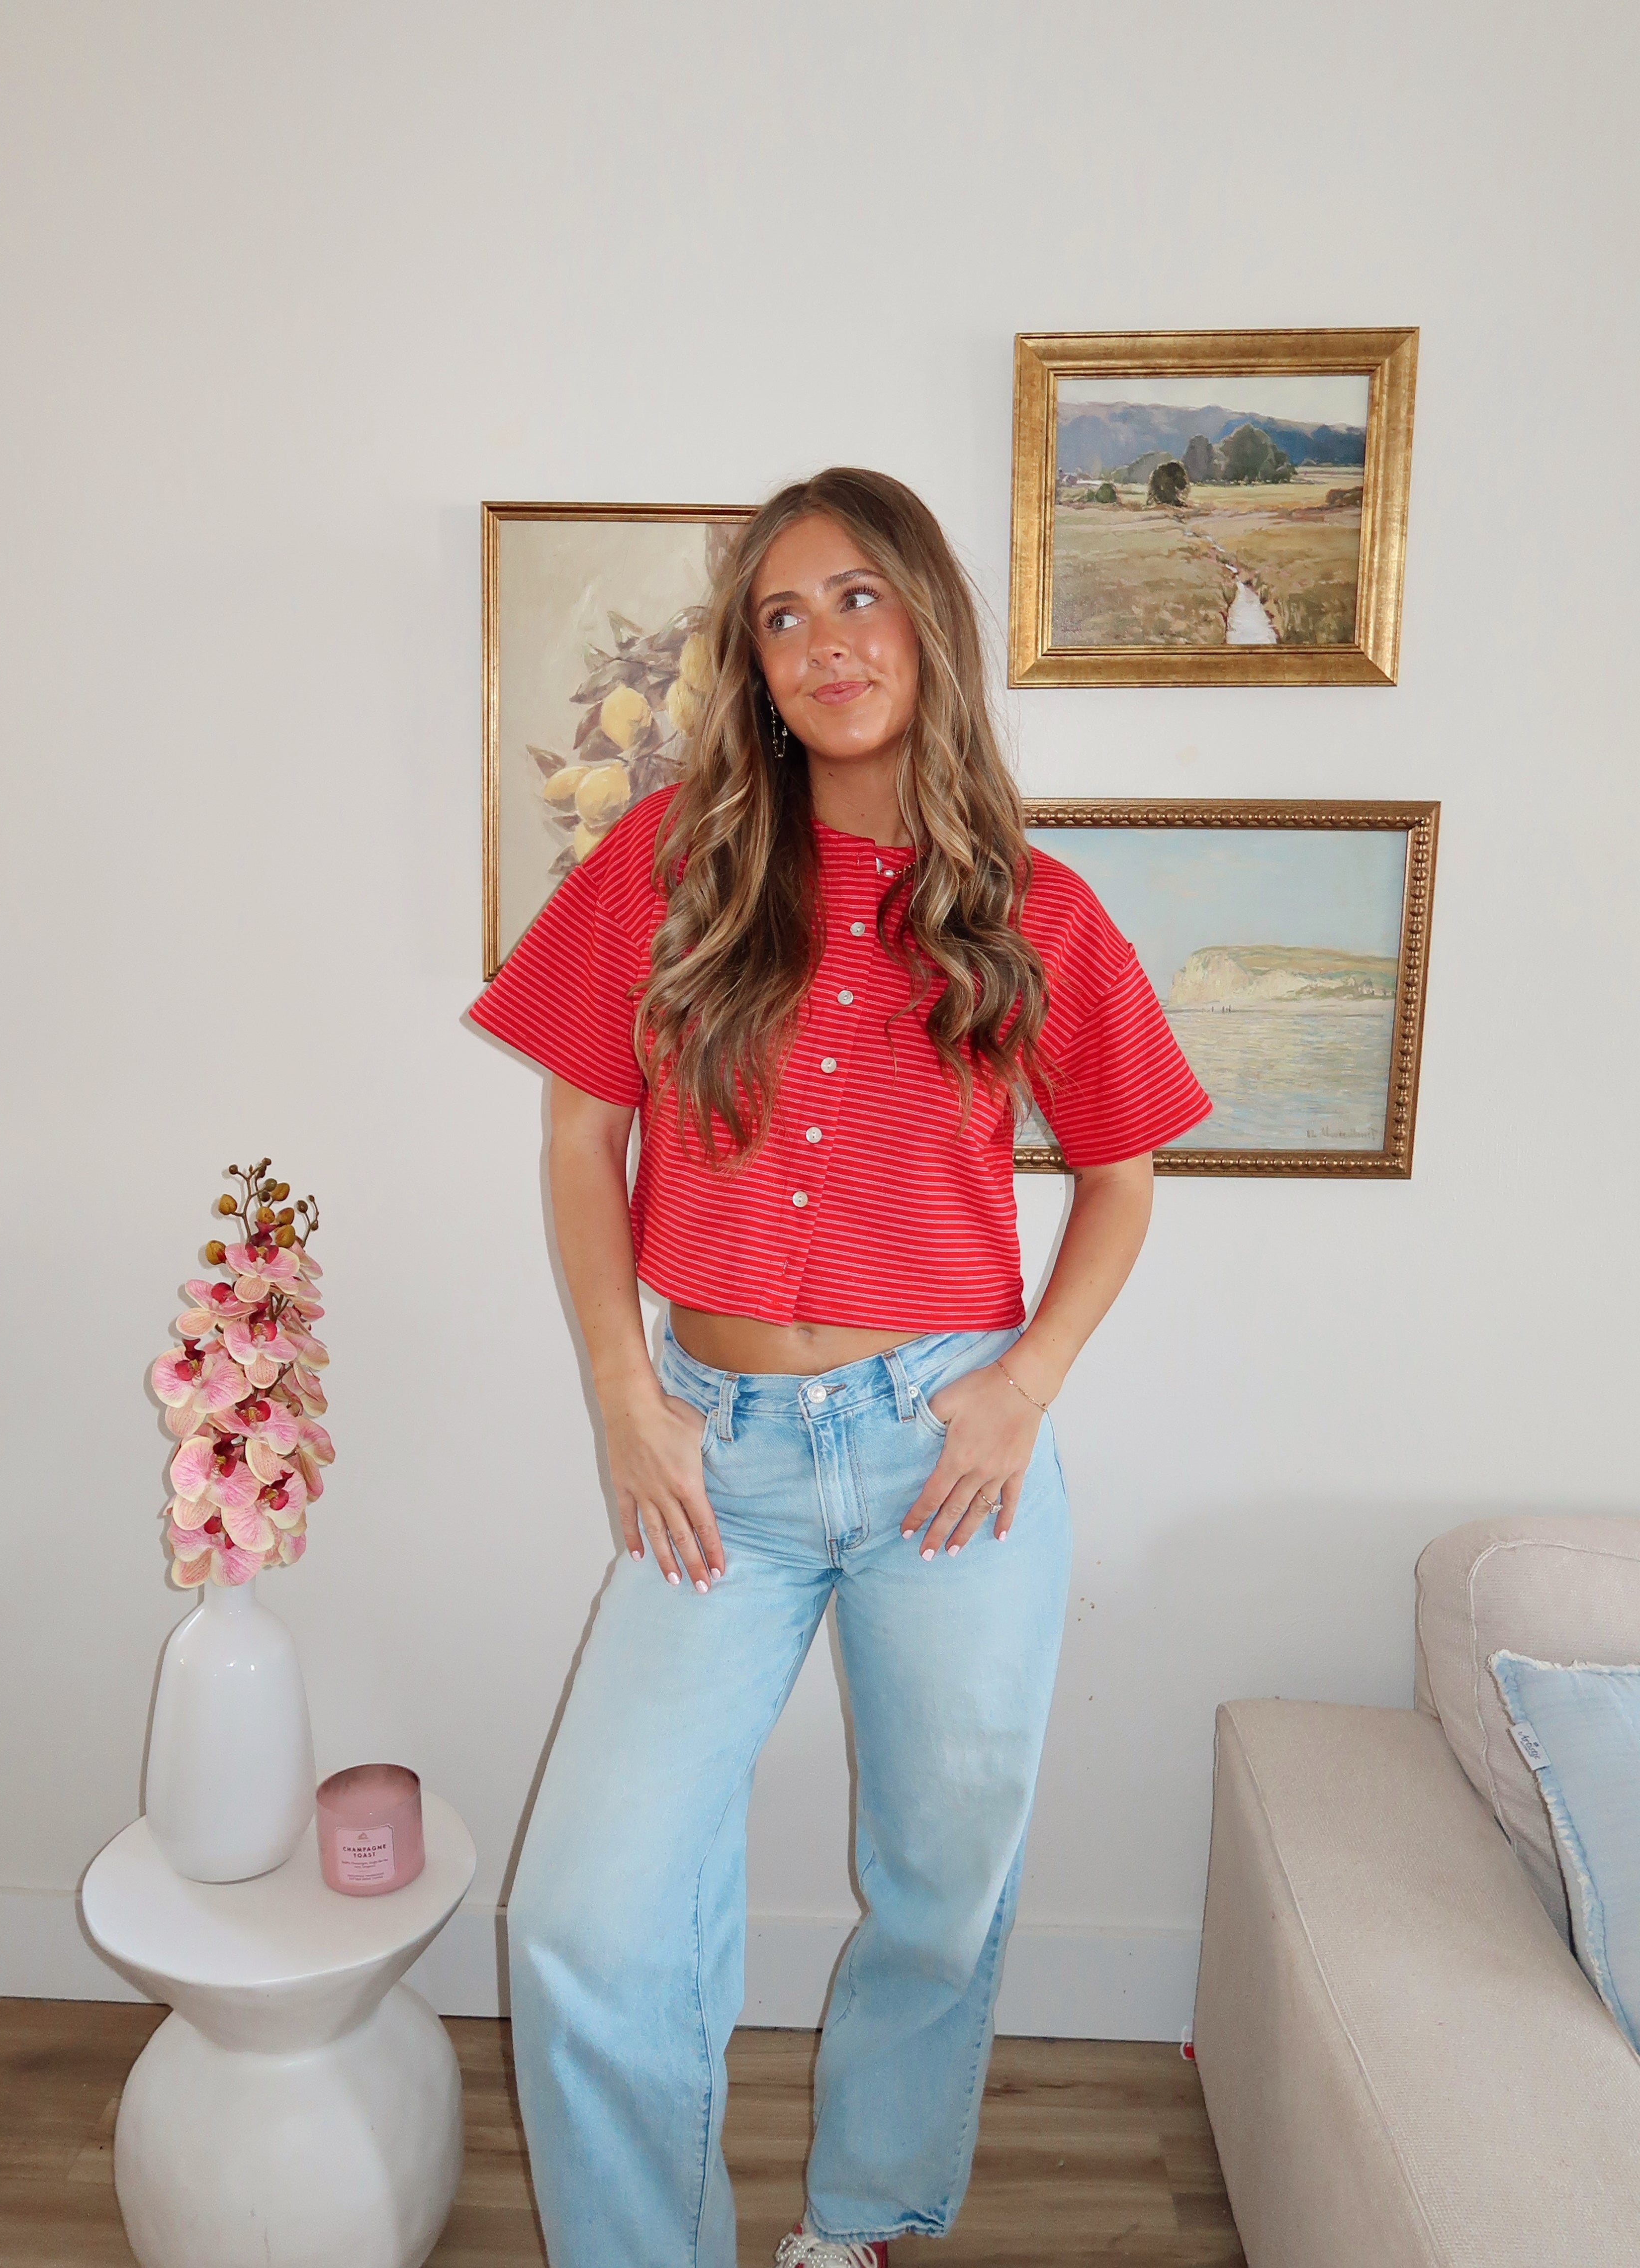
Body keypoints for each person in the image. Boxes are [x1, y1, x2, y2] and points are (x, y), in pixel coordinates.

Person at [469, 468, 1211, 2268]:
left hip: (940, 1456)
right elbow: (579, 1137)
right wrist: (623, 1393)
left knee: (942, 1886)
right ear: (752, 663)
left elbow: (1123, 1175)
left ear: (929, 621)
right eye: (781, 616)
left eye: (857, 597)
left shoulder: (1036, 908)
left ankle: (862, 2224)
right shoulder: (671, 863)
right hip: (710, 1455)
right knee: (585, 1914)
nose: (821, 643)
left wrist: (1024, 1387)